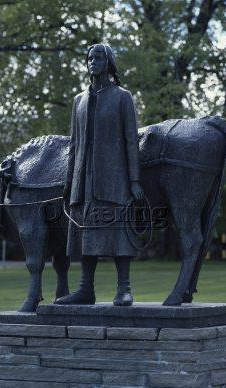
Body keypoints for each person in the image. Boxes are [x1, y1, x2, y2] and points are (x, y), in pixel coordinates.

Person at [55, 43, 144, 307]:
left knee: (119, 232)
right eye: (89, 58)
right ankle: (85, 290)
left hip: (114, 178)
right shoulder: (78, 100)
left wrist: (135, 180)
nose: (92, 62)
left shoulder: (122, 97)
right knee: (85, 234)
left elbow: (131, 141)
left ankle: (124, 289)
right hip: (84, 181)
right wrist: (69, 180)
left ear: (109, 63)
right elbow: (74, 144)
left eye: (98, 58)